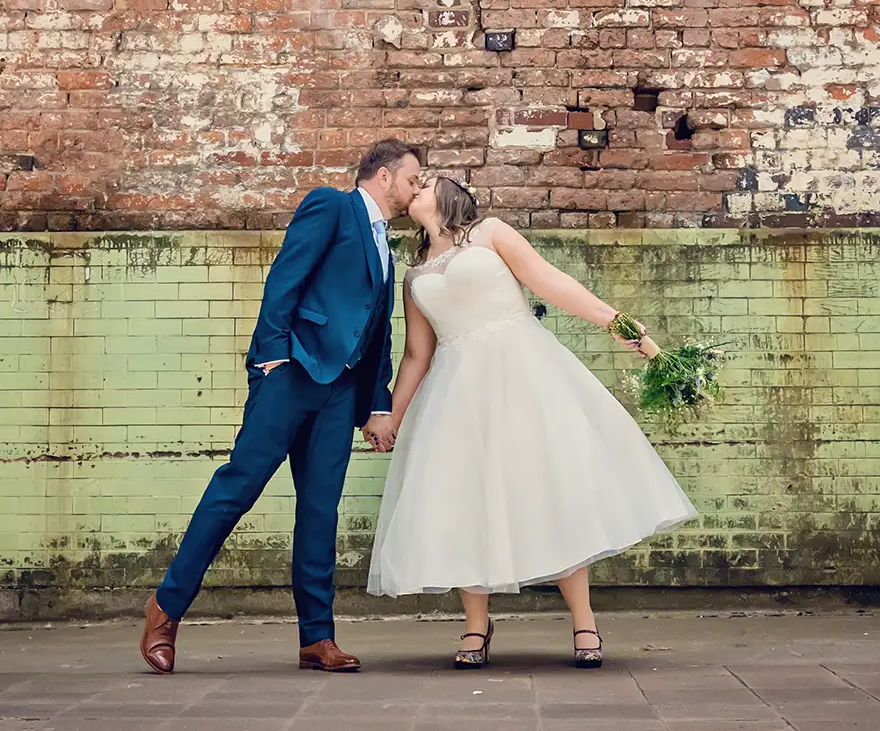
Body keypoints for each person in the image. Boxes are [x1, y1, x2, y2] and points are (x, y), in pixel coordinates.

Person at [367, 176, 697, 669]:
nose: (415, 188)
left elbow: (551, 283)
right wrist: (389, 416)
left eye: (426, 183)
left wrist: (626, 328)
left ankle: (584, 620)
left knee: (551, 489)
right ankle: (476, 628)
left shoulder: (491, 232)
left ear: (450, 195)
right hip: (456, 391)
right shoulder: (413, 274)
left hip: (524, 373)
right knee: (465, 500)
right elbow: (417, 353)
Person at [140, 139, 423, 674]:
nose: (416, 189)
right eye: (412, 178)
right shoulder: (332, 205)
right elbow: (284, 282)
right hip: (292, 374)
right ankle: (166, 609)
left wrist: (377, 405)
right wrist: (271, 357)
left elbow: (377, 330)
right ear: (384, 176)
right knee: (235, 491)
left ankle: (317, 638)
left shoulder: (386, 245)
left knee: (319, 512)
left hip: (340, 393)